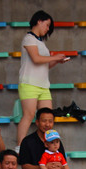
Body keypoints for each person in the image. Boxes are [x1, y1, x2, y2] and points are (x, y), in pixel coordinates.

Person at [16, 10, 71, 145]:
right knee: (28, 115)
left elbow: (44, 65)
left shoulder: (40, 42)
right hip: (29, 83)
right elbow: (36, 59)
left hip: (43, 85)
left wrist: (57, 61)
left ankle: (47, 145)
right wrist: (55, 57)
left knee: (47, 117)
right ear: (39, 21)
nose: (47, 29)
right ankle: (20, 146)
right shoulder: (29, 38)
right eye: (47, 25)